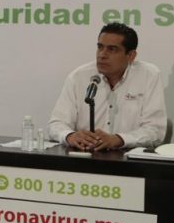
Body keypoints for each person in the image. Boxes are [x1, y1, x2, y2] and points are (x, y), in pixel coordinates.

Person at [48, 22, 166, 151]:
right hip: (84, 155)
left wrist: (119, 139)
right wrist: (70, 136)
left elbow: (155, 130)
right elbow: (56, 124)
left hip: (127, 157)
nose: (102, 55)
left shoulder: (148, 76)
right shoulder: (78, 77)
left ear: (131, 56)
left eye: (112, 49)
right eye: (100, 47)